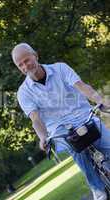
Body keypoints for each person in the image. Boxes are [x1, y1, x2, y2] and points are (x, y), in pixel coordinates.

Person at [11, 42, 110, 200]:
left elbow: (82, 86)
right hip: (60, 129)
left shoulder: (60, 68)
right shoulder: (23, 93)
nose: (25, 66)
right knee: (76, 147)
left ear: (35, 55)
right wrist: (43, 137)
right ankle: (97, 189)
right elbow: (35, 119)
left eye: (27, 60)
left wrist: (100, 100)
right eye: (20, 64)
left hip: (84, 116)